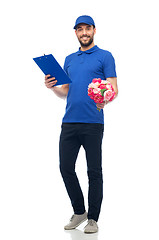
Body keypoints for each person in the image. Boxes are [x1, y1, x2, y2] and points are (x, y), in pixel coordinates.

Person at [45, 15, 118, 234]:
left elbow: (114, 88)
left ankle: (93, 218)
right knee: (65, 167)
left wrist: (102, 95)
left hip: (93, 123)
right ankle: (80, 212)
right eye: (79, 29)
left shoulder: (105, 56)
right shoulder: (69, 58)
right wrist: (52, 87)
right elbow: (65, 92)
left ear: (94, 30)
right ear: (76, 33)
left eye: (87, 28)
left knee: (94, 171)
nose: (84, 32)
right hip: (69, 122)